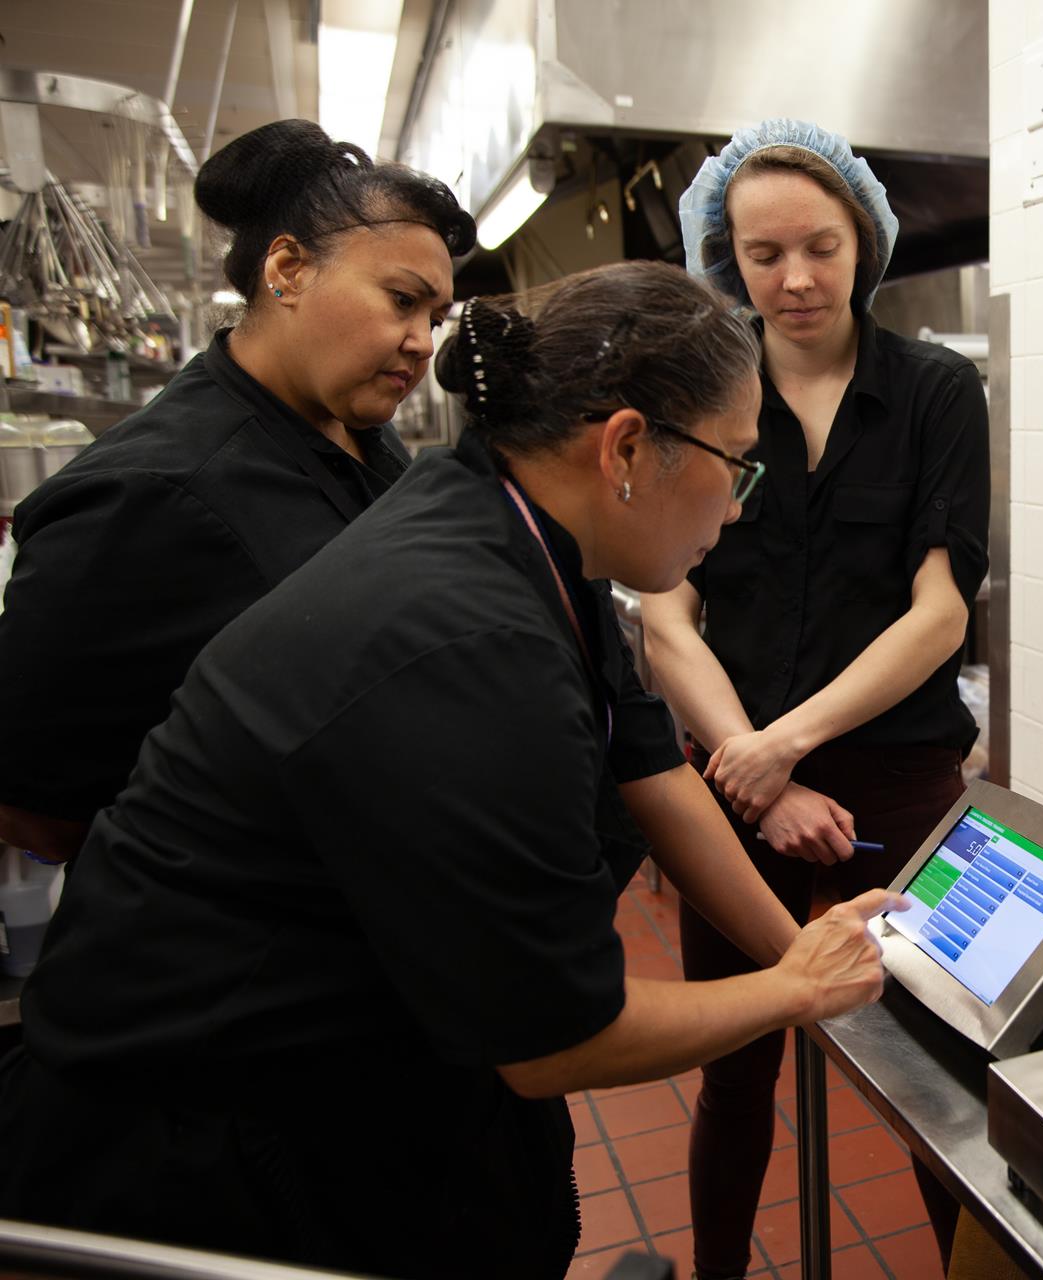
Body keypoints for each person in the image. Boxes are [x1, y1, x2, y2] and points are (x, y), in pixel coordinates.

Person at [0, 261, 900, 1279]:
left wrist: (804, 944)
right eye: (735, 464)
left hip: (352, 1081)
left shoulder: (523, 534)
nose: (736, 510)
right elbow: (563, 1039)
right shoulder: (467, 638)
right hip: (207, 1149)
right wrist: (789, 991)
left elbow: (654, 772)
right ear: (628, 448)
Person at [641, 118, 989, 1280]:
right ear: (724, 256)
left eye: (820, 248)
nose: (794, 279)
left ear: (865, 246)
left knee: (944, 1067)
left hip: (895, 777)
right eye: (762, 252)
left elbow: (939, 614)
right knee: (736, 1059)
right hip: (735, 790)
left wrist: (780, 745)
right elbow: (665, 612)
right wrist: (753, 767)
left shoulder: (937, 393)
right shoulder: (698, 394)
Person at [0, 119, 472, 861]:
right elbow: (39, 811)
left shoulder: (364, 442)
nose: (422, 341)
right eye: (402, 301)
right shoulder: (144, 494)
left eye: (435, 318)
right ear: (287, 269)